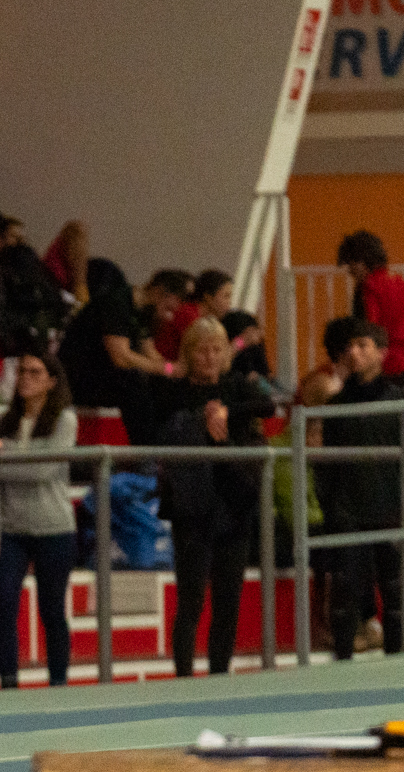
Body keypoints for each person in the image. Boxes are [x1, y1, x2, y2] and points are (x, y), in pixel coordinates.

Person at [158, 317, 274, 677]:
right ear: (188, 354)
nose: (209, 357)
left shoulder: (236, 385)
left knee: (228, 601)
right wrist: (202, 418)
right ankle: (183, 677)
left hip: (233, 503)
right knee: (190, 599)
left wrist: (226, 411)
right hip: (191, 506)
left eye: (216, 350)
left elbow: (268, 406)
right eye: (201, 350)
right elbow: (160, 430)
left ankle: (220, 675)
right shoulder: (174, 392)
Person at [0, 351, 78, 688]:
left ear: (52, 381)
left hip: (55, 528)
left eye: (35, 372)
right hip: (11, 531)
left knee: (52, 612)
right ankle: (8, 684)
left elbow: (42, 471)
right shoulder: (0, 423)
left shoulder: (65, 420)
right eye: (22, 371)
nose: (25, 377)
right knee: (4, 607)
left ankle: (58, 684)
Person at [315, 315, 404, 657]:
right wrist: (331, 505)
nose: (354, 353)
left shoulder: (401, 401)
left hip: (389, 508)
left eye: (362, 346)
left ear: (382, 352)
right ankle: (342, 662)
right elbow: (327, 462)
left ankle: (398, 663)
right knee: (344, 593)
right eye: (349, 347)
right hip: (347, 511)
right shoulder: (336, 405)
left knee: (395, 594)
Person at [57, 258, 176, 440]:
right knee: (133, 383)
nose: (170, 317)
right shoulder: (116, 303)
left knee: (162, 385)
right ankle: (145, 448)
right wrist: (167, 369)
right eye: (169, 308)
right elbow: (121, 357)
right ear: (159, 293)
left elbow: (150, 353)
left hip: (103, 372)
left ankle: (164, 441)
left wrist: (174, 371)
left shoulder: (143, 312)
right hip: (79, 374)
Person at [337, 230, 404, 393]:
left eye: (351, 264)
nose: (350, 271)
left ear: (362, 262)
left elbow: (370, 332)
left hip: (385, 371)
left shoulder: (369, 289)